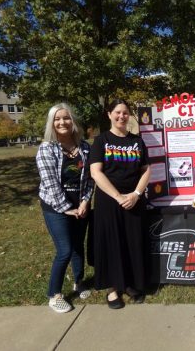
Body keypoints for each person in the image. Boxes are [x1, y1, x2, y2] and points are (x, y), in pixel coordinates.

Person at [89, 98, 151, 309]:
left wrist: (135, 194)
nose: (121, 116)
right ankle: (112, 288)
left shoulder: (137, 141)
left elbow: (146, 171)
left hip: (134, 201)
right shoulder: (101, 141)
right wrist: (118, 197)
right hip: (109, 202)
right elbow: (95, 172)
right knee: (111, 244)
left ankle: (131, 284)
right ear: (109, 114)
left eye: (125, 113)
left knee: (132, 242)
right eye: (117, 112)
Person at [36, 103, 94, 313]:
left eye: (66, 118)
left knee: (78, 246)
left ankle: (78, 282)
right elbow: (50, 183)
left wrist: (85, 201)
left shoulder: (85, 147)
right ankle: (54, 295)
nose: (62, 122)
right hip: (55, 208)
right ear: (52, 123)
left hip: (80, 205)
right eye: (57, 119)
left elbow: (89, 179)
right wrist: (66, 208)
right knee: (65, 250)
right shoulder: (47, 148)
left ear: (73, 121)